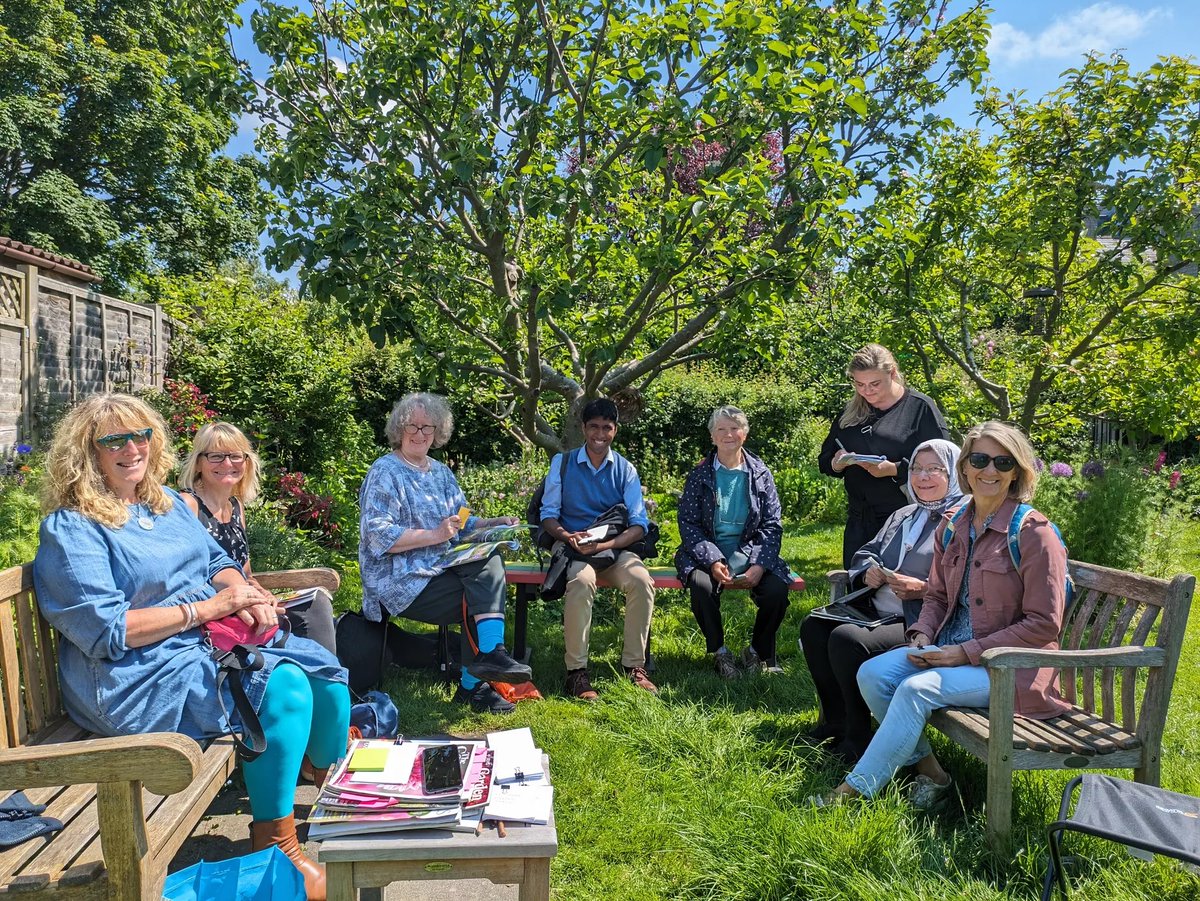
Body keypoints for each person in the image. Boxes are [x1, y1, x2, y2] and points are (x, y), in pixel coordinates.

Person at [32, 393, 348, 900]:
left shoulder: (162, 506)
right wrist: (207, 610)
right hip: (132, 677)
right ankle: (277, 846)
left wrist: (242, 592)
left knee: (325, 677)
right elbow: (108, 633)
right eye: (113, 439)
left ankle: (326, 780)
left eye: (141, 435)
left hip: (196, 646)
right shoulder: (74, 529)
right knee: (284, 688)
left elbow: (213, 560)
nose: (131, 448)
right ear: (87, 452)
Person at [816, 421, 1069, 809]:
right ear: (965, 467)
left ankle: (852, 793)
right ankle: (933, 774)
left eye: (1003, 462)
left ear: (1017, 471)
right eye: (980, 459)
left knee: (916, 689)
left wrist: (962, 652)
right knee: (873, 673)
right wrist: (921, 635)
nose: (990, 471)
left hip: (1010, 669)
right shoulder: (955, 525)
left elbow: (1043, 625)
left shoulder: (1034, 533)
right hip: (949, 651)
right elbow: (936, 595)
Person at [358, 392, 531, 714]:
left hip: (440, 568)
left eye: (429, 427)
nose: (421, 433)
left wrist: (495, 524)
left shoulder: (440, 473)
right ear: (400, 428)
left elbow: (461, 522)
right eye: (414, 426)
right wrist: (434, 535)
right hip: (400, 579)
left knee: (488, 566)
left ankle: (485, 666)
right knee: (480, 596)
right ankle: (477, 679)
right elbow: (376, 536)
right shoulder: (385, 472)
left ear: (439, 432)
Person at [799, 438, 963, 763]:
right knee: (814, 626)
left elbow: (967, 587)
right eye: (917, 468)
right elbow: (868, 551)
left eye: (935, 470)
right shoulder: (905, 514)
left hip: (921, 621)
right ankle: (836, 720)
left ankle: (859, 737)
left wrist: (921, 587)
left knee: (847, 640)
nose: (923, 477)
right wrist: (867, 571)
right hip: (877, 609)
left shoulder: (962, 522)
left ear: (955, 474)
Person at [179, 421, 337, 655]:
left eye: (235, 456)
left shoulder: (235, 507)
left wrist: (261, 592)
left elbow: (246, 573)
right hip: (213, 611)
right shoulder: (187, 505)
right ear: (199, 462)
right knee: (311, 616)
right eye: (216, 456)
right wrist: (243, 599)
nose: (227, 463)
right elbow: (183, 575)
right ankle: (329, 683)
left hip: (245, 601)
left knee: (315, 602)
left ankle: (329, 681)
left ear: (246, 462)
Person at [538, 398, 657, 700]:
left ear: (615, 430)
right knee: (581, 581)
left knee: (642, 581)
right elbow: (547, 514)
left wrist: (605, 544)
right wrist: (568, 536)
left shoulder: (625, 469)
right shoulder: (562, 463)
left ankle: (635, 667)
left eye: (607, 427)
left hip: (613, 548)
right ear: (583, 428)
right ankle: (576, 673)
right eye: (594, 427)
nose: (600, 434)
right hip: (572, 547)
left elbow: (639, 524)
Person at [675, 406, 791, 678]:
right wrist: (713, 560)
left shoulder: (761, 473)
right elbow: (688, 523)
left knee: (776, 592)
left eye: (735, 428)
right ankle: (720, 653)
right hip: (705, 552)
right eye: (721, 429)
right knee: (702, 587)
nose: (729, 434)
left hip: (750, 551)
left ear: (745, 434)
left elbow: (772, 524)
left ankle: (756, 652)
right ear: (712, 437)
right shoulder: (699, 474)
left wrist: (759, 564)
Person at [818, 344, 950, 568]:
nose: (867, 391)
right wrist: (837, 463)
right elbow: (825, 460)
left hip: (906, 516)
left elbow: (945, 462)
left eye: (874, 384)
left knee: (895, 587)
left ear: (893, 374)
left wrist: (895, 469)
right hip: (860, 519)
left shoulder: (919, 408)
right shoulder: (851, 411)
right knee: (858, 587)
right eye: (859, 384)